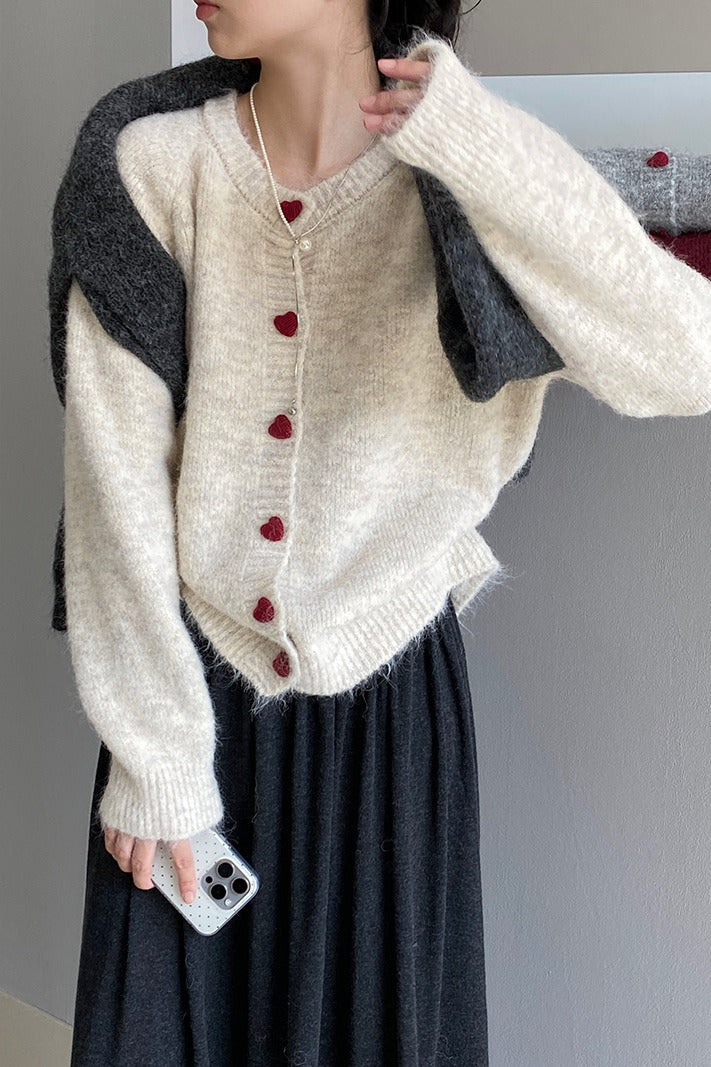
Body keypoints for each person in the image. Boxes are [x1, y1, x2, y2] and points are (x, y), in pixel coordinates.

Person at [58, 0, 711, 1064]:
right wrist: (155, 756)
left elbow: (688, 359)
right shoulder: (150, 165)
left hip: (390, 726)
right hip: (180, 698)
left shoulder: (476, 176)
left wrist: (482, 150)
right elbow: (112, 487)